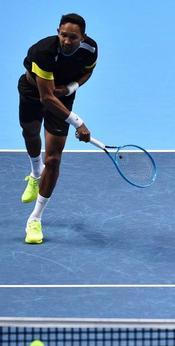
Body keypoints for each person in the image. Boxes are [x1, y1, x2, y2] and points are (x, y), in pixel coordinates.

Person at [18, 13, 98, 244]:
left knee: (53, 159)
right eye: (63, 35)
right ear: (58, 32)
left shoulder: (90, 49)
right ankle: (35, 173)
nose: (66, 41)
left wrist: (71, 88)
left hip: (62, 96)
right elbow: (47, 97)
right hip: (34, 93)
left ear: (82, 37)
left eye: (73, 37)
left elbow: (87, 71)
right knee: (30, 133)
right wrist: (78, 122)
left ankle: (35, 218)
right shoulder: (43, 52)